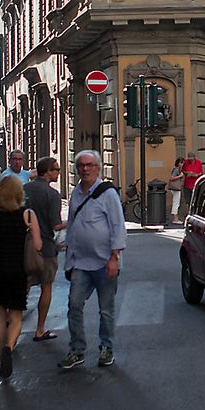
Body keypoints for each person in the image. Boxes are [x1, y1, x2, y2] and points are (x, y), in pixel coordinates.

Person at [59, 149, 126, 371]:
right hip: (80, 263)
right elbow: (74, 224)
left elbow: (118, 226)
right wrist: (68, 256)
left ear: (97, 168)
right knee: (74, 305)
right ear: (77, 169)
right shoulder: (76, 192)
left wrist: (114, 257)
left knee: (105, 310)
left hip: (105, 262)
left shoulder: (108, 194)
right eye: (81, 165)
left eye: (89, 165)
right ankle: (77, 349)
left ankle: (106, 348)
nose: (85, 169)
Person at [0, 175, 42, 379]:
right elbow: (38, 245)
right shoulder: (28, 215)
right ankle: (8, 348)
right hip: (18, 270)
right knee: (15, 316)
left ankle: (0, 351)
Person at [25, 156, 65, 341]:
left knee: (23, 285)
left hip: (25, 247)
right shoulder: (52, 194)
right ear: (47, 172)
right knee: (46, 286)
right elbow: (56, 225)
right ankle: (40, 328)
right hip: (46, 246)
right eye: (56, 169)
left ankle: (13, 321)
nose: (58, 172)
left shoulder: (24, 189)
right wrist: (70, 222)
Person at [168, 158, 184, 224]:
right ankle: (175, 219)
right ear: (178, 163)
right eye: (181, 163)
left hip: (176, 188)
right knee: (176, 203)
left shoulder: (178, 170)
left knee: (176, 203)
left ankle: (175, 218)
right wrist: (180, 176)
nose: (182, 164)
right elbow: (171, 178)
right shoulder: (176, 170)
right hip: (176, 188)